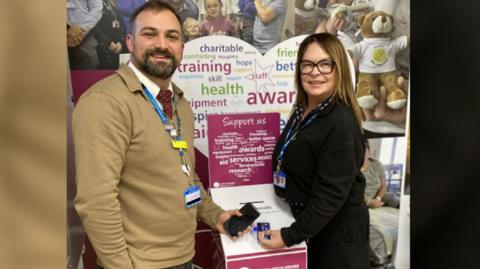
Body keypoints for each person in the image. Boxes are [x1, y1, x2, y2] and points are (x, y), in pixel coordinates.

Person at [73, 1, 247, 269]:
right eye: (150, 34)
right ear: (130, 42)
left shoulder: (178, 103)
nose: (162, 45)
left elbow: (186, 176)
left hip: (182, 258)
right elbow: (96, 202)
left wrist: (217, 216)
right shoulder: (106, 102)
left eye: (172, 36)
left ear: (181, 48)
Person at [258, 33, 370, 269]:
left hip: (336, 234)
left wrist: (289, 236)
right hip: (310, 222)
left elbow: (330, 196)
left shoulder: (340, 121)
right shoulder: (303, 109)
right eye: (307, 64)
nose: (315, 72)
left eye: (324, 64)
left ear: (338, 69)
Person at [362, 139, 400, 208]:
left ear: (369, 151)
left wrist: (378, 199)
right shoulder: (352, 168)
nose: (362, 155)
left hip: (377, 196)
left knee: (391, 196)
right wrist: (369, 202)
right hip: (362, 199)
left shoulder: (377, 164)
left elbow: (383, 185)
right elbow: (352, 193)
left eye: (364, 151)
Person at [91, 0, 128, 69]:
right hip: (102, 47)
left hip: (117, 46)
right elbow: (94, 27)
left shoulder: (111, 3)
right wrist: (108, 43)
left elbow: (122, 24)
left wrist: (120, 42)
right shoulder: (94, 3)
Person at [67, 0, 103, 69]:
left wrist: (81, 31)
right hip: (56, 31)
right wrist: (67, 28)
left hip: (84, 33)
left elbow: (97, 9)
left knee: (89, 59)